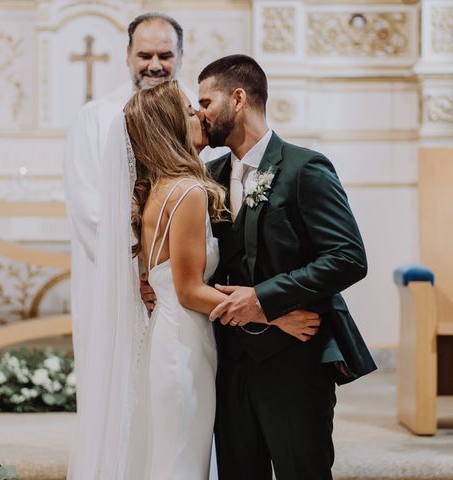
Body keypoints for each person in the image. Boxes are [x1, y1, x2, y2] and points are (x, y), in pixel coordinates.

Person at [197, 54, 378, 479]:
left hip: (294, 363)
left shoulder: (304, 168)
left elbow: (348, 257)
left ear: (237, 98)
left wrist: (264, 300)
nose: (200, 114)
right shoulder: (208, 175)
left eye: (207, 102)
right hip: (227, 362)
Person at [64, 12, 220, 479]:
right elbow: (92, 211)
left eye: (165, 55)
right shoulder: (96, 117)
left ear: (181, 56)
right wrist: (143, 273)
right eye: (145, 54)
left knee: (174, 418)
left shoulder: (196, 112)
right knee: (124, 391)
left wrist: (165, 274)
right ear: (127, 55)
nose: (154, 64)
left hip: (177, 282)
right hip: (121, 281)